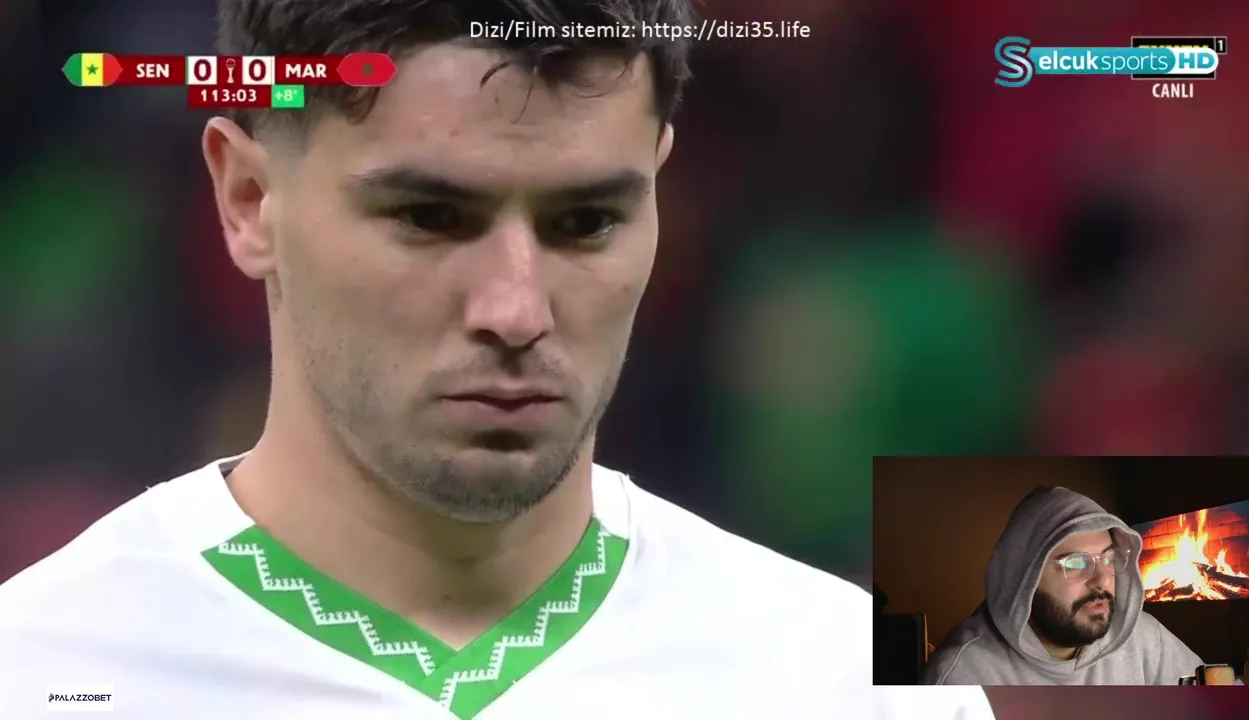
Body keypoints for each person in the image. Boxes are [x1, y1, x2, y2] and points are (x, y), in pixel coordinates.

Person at [0, 1, 998, 718]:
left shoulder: (853, 686)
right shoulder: (38, 672)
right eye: (429, 216)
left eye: (586, 221)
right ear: (249, 201)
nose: (516, 310)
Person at [922, 485, 1204, 685]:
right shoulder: (961, 677)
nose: (1102, 580)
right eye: (1076, 562)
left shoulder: (1142, 638)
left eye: (1108, 559)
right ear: (1025, 578)